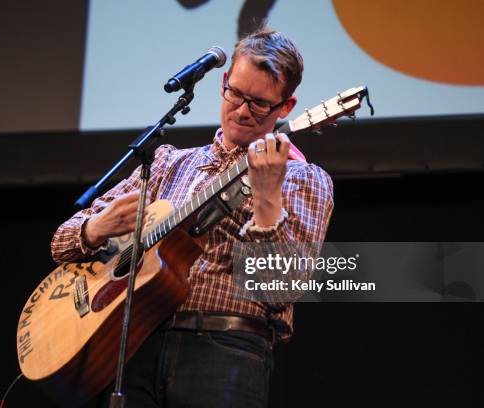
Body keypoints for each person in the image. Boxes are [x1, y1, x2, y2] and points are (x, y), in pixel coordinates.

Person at [51, 28, 334, 408]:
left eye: (260, 103)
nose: (243, 111)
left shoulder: (303, 179)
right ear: (222, 83)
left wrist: (267, 199)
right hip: (133, 345)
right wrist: (97, 227)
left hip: (225, 350)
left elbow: (280, 290)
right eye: (236, 93)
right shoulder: (168, 162)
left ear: (286, 106)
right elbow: (61, 241)